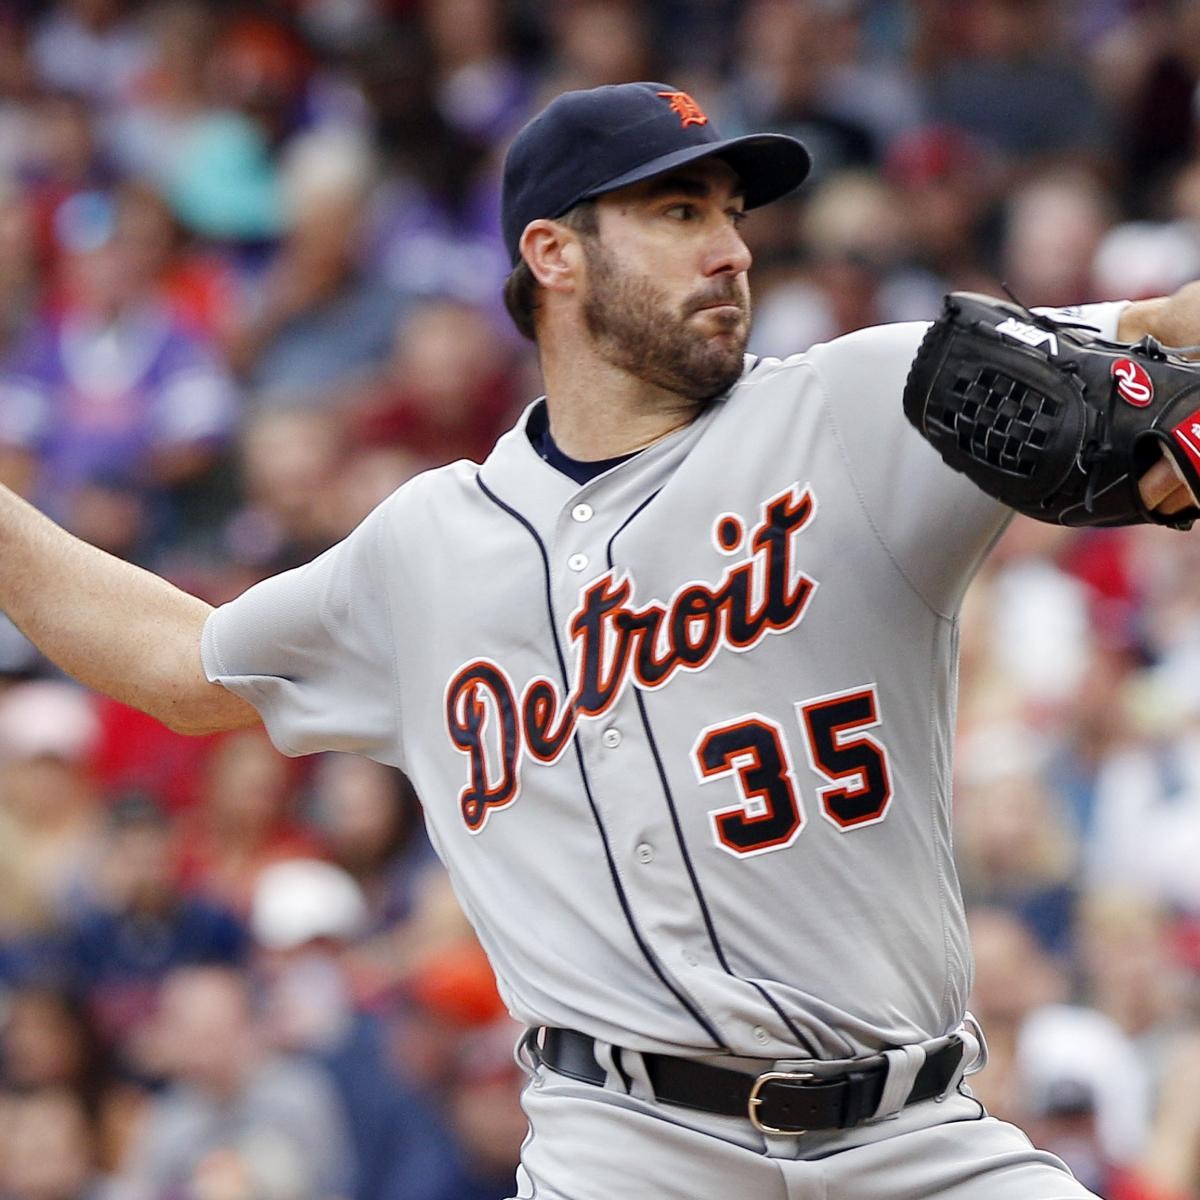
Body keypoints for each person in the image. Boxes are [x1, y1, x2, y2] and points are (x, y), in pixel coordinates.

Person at [0, 81, 1196, 1199]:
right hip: (625, 1157)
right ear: (552, 253)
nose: (730, 247)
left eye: (732, 212)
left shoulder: (858, 405)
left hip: (920, 1139)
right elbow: (179, 666)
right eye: (678, 211)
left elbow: (1155, 333)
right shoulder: (427, 549)